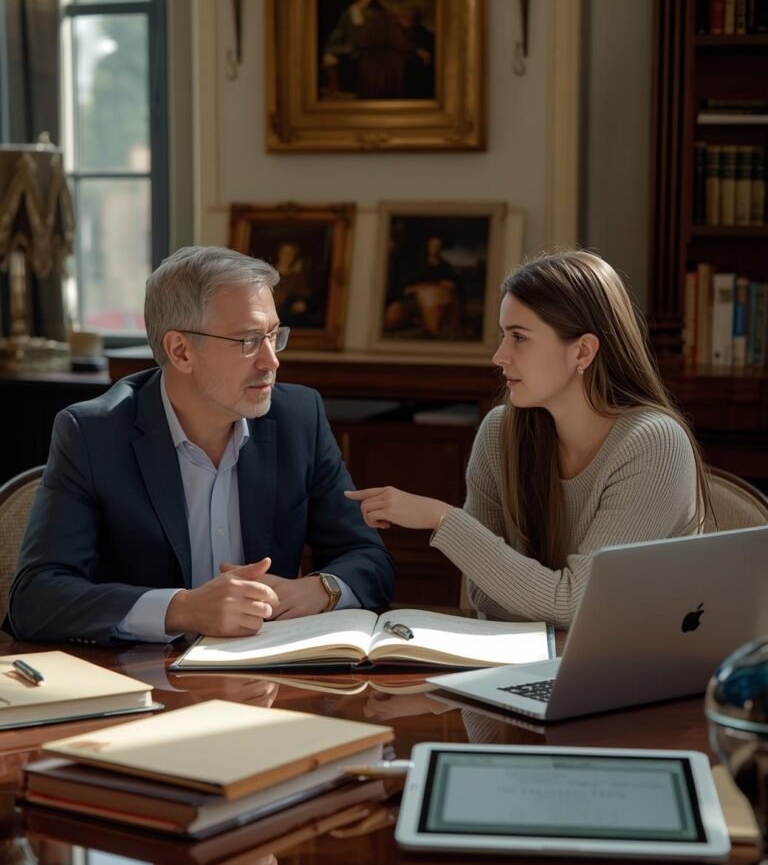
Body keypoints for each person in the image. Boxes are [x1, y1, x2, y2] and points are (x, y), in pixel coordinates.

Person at [7, 246, 394, 645]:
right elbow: (35, 598)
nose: (270, 361)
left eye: (273, 336)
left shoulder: (299, 418)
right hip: (145, 684)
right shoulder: (93, 434)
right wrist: (182, 609)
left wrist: (319, 589)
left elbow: (370, 560)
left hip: (270, 679)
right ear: (181, 351)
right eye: (248, 341)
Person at [347, 251, 709, 630]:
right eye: (504, 336)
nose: (499, 356)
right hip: (531, 664)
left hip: (634, 675)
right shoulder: (501, 432)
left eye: (519, 337)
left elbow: (578, 606)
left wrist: (443, 519)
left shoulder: (654, 444)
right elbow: (486, 596)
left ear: (583, 350)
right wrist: (538, 594)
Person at [321, 0, 410, 100]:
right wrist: (332, 50)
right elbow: (338, 36)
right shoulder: (350, 12)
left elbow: (390, 35)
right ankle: (335, 91)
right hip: (350, 49)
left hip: (369, 53)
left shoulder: (379, 12)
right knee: (328, 58)